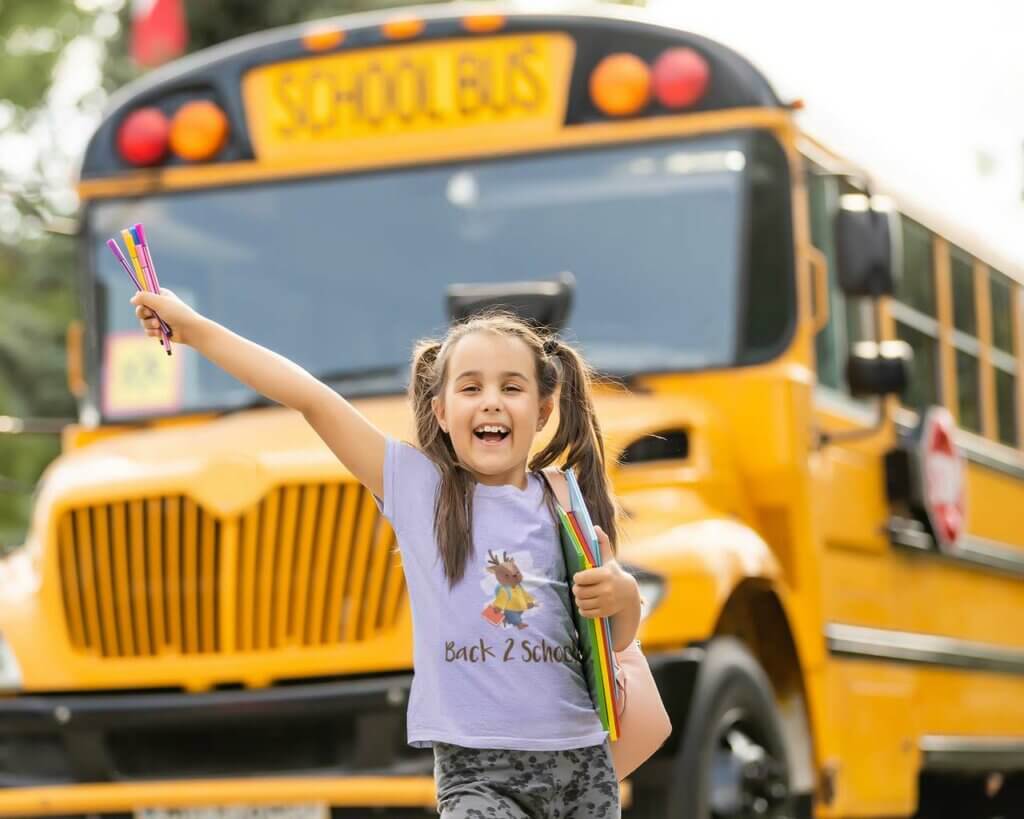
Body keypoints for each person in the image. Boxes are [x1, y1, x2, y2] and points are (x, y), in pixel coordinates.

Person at [131, 289, 642, 818]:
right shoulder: (419, 489)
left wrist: (622, 596)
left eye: (511, 387)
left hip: (581, 764)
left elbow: (614, 642)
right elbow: (309, 397)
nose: (491, 401)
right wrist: (193, 330)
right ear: (440, 412)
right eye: (471, 387)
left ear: (543, 410)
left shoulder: (563, 501)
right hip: (478, 772)